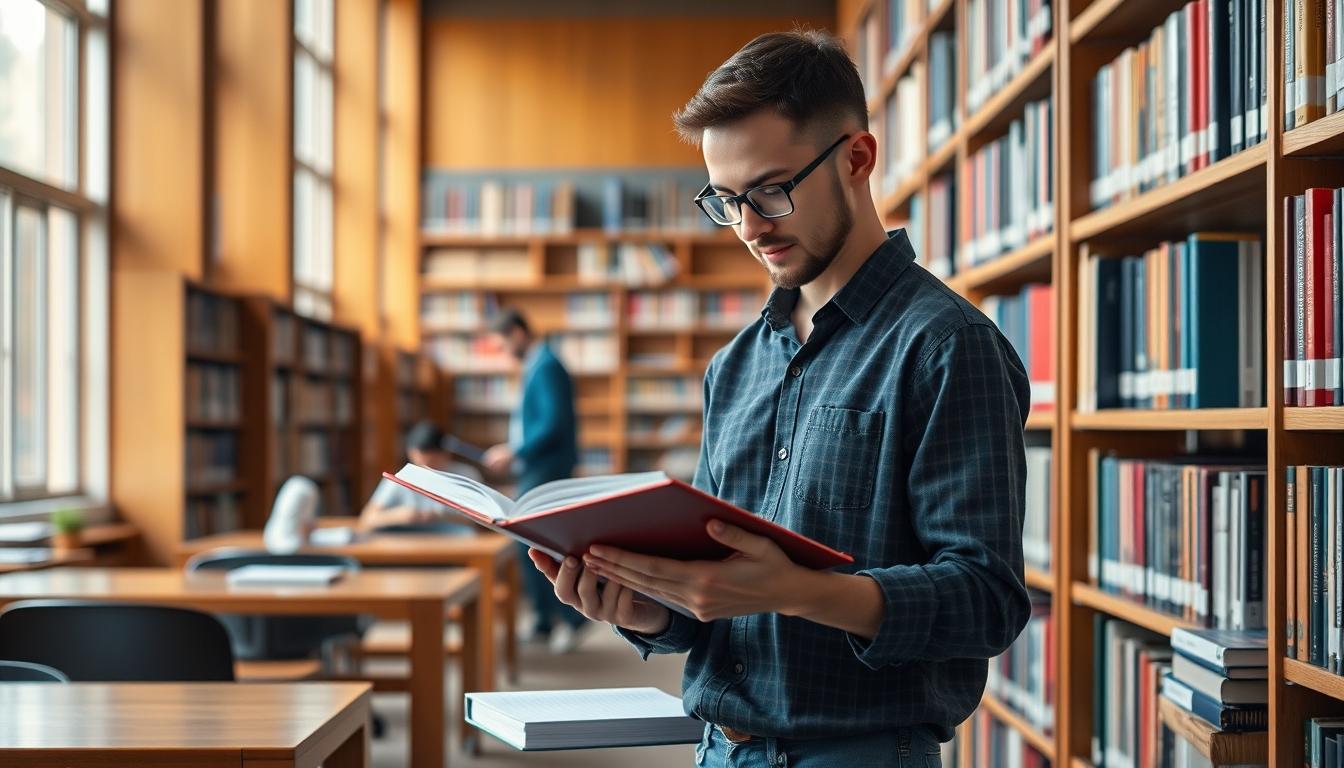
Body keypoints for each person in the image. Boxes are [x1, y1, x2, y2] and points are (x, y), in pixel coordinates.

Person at [526, 29, 1032, 765]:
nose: (750, 226)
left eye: (771, 190)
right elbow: (713, 606)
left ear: (857, 158)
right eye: (726, 200)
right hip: (717, 749)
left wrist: (796, 591)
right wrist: (644, 606)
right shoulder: (735, 366)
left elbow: (986, 601)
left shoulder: (946, 346)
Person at [481, 309, 587, 655]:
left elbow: (553, 423)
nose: (503, 353)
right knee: (529, 541)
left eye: (502, 344)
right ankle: (544, 620)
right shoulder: (538, 365)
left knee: (541, 544)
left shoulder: (547, 366)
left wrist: (515, 451)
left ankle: (570, 619)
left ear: (517, 333)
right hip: (537, 466)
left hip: (547, 466)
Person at [357, 420, 479, 534]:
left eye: (433, 462)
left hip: (453, 540)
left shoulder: (466, 475)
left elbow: (480, 521)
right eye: (421, 463)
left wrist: (439, 516)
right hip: (409, 542)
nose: (427, 469)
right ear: (411, 454)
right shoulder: (400, 479)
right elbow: (367, 518)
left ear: (446, 454)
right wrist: (398, 515)